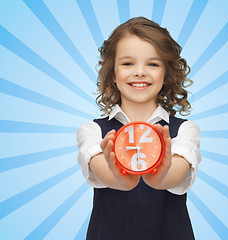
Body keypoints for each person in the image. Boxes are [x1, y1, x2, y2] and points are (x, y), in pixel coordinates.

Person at [76, 17, 201, 240]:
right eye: (128, 63)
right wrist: (121, 179)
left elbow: (177, 172)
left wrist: (160, 178)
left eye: (153, 64)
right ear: (113, 74)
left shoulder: (185, 130)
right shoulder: (92, 131)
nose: (140, 72)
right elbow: (101, 170)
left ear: (166, 74)